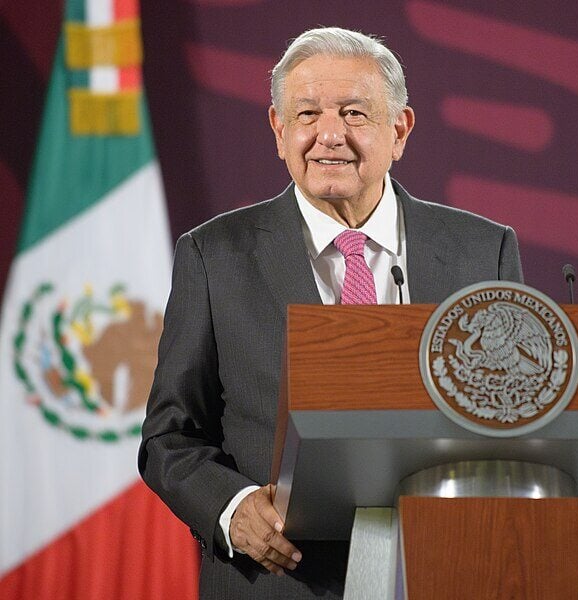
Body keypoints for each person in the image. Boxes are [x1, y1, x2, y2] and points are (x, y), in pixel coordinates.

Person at [139, 26, 523, 599]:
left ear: (400, 129)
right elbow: (169, 437)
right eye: (307, 114)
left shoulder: (481, 251)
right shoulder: (214, 256)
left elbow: (519, 420)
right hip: (279, 580)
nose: (328, 135)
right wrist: (233, 507)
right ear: (278, 130)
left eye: (353, 113)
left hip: (446, 571)